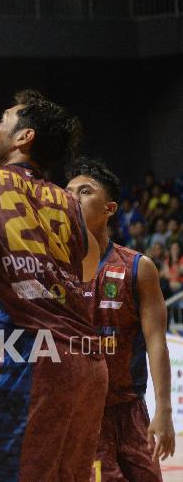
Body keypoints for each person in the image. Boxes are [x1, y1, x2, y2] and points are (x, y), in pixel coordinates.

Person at [0, 92, 103, 480]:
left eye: (3, 120)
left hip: (35, 357)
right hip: (89, 362)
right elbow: (87, 267)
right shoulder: (69, 202)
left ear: (24, 138)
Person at [66, 158, 174, 480]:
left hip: (129, 410)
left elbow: (156, 340)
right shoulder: (52, 268)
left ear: (110, 208)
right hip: (79, 414)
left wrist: (164, 411)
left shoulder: (138, 268)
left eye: (85, 191)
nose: (73, 198)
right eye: (68, 192)